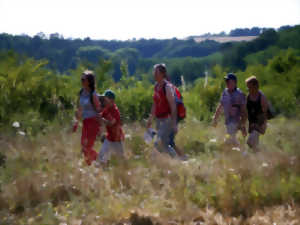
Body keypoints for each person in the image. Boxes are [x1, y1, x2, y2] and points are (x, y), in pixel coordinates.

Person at [147, 63, 178, 158]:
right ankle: (176, 159)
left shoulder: (167, 87)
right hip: (159, 120)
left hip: (167, 119)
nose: (154, 74)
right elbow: (155, 104)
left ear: (162, 74)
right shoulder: (156, 86)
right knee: (164, 145)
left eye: (156, 72)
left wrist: (174, 123)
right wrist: (150, 119)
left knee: (157, 142)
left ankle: (154, 161)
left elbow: (173, 105)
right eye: (154, 72)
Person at [74, 70, 102, 165]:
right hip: (85, 122)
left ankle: (101, 161)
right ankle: (92, 164)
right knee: (83, 146)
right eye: (81, 79)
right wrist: (76, 123)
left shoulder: (93, 94)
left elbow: (99, 110)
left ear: (89, 81)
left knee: (87, 146)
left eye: (83, 79)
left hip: (93, 122)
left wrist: (100, 127)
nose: (81, 81)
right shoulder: (81, 92)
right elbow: (80, 109)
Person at [213, 73, 247, 147]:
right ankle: (243, 152)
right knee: (232, 140)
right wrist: (215, 119)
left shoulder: (239, 94)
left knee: (229, 139)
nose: (227, 82)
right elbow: (220, 106)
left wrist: (243, 124)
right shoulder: (225, 92)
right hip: (228, 121)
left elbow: (244, 111)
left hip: (236, 121)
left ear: (234, 83)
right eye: (226, 81)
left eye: (228, 81)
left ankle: (238, 151)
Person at [98, 90, 125, 166]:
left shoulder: (115, 111)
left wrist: (102, 119)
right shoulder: (106, 108)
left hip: (117, 139)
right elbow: (100, 115)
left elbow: (111, 123)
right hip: (109, 138)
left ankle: (124, 173)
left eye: (105, 99)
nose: (104, 101)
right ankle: (103, 170)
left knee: (121, 161)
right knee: (101, 157)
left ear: (111, 100)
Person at [245, 76, 269, 150]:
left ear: (255, 86)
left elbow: (265, 113)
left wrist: (261, 126)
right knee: (254, 145)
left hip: (259, 123)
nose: (248, 89)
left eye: (249, 87)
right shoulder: (248, 96)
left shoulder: (262, 97)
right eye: (247, 87)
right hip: (252, 123)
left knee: (250, 142)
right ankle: (259, 155)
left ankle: (260, 152)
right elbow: (246, 110)